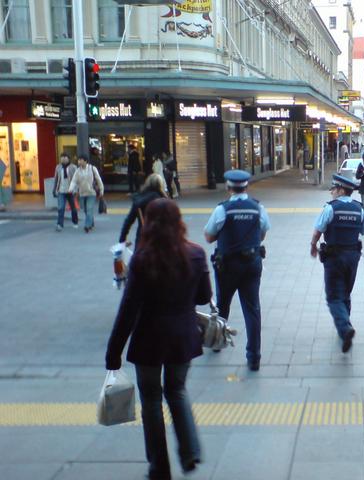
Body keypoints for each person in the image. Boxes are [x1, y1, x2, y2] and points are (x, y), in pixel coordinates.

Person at [106, 199, 211, 480]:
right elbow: (203, 297)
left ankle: (159, 467)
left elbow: (128, 309)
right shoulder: (197, 254)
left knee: (151, 399)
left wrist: (113, 352)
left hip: (149, 339)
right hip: (182, 338)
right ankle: (190, 453)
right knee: (176, 391)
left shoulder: (142, 259)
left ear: (149, 224)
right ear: (179, 221)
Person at [204, 170, 270, 371]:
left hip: (228, 266)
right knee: (252, 309)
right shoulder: (258, 207)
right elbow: (263, 232)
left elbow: (208, 236)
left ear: (228, 186)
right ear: (246, 186)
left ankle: (217, 342)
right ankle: (254, 357)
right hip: (252, 263)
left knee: (223, 304)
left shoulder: (222, 209)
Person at [310, 174, 364, 353]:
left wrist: (313, 246)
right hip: (353, 257)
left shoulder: (330, 208)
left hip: (334, 258)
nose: (331, 192)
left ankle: (344, 328)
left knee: (333, 296)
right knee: (346, 292)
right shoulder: (359, 209)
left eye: (333, 189)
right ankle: (345, 325)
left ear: (341, 190)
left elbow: (318, 231)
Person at [119, 173, 167, 248]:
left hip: (142, 238)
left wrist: (122, 239)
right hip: (159, 240)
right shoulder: (164, 201)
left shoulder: (139, 199)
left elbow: (128, 221)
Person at [69, 154, 103, 233]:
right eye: (78, 160)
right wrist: (71, 189)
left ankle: (87, 226)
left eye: (80, 160)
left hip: (91, 192)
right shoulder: (78, 171)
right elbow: (74, 181)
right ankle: (91, 222)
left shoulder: (92, 168)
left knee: (89, 208)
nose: (79, 161)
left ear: (85, 161)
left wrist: (101, 190)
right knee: (85, 210)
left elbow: (98, 179)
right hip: (82, 193)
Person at [53, 152, 78, 231]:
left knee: (73, 208)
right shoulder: (58, 167)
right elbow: (56, 179)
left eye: (65, 157)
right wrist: (54, 189)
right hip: (61, 190)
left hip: (70, 191)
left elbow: (76, 179)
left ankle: (75, 221)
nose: (63, 159)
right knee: (61, 208)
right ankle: (60, 224)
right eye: (62, 157)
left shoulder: (73, 167)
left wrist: (76, 190)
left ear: (68, 158)